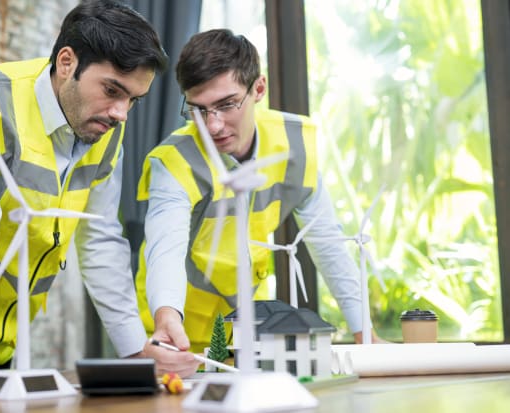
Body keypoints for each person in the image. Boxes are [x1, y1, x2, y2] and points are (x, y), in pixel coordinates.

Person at [0, 0, 193, 397]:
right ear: (66, 62)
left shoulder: (103, 129)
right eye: (112, 90)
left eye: (133, 100)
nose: (122, 113)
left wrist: (135, 352)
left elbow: (100, 241)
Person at [135, 29, 383, 375]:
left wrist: (364, 334)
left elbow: (327, 242)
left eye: (226, 104)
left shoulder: (294, 144)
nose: (213, 125)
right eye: (198, 110)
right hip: (172, 336)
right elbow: (165, 249)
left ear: (258, 89)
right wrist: (166, 320)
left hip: (249, 332)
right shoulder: (172, 161)